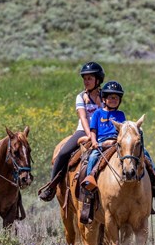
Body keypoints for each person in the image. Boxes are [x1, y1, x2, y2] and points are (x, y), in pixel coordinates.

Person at [38, 61, 104, 201]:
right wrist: (89, 135)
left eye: (89, 78)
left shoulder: (106, 96)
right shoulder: (80, 97)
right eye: (85, 79)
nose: (86, 81)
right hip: (83, 131)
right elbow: (83, 117)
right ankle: (52, 186)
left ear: (98, 80)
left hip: (104, 132)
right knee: (63, 153)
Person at [81, 81, 127, 189]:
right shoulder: (98, 113)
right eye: (111, 97)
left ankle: (154, 177)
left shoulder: (120, 114)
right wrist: (94, 142)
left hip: (117, 141)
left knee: (142, 152)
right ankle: (89, 179)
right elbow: (93, 130)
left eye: (116, 98)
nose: (113, 100)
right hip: (101, 142)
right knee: (92, 157)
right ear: (104, 99)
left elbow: (122, 130)